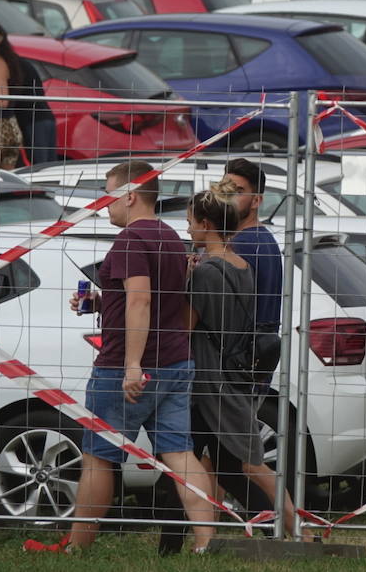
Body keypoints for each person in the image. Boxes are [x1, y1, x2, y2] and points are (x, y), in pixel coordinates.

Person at [52, 160, 215, 553]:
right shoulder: (171, 237)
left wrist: (131, 365)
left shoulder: (129, 240)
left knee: (99, 457)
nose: (103, 204)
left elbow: (141, 299)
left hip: (127, 369)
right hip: (176, 362)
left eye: (108, 195)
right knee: (180, 453)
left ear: (130, 196)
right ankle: (205, 543)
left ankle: (78, 545)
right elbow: (152, 299)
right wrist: (99, 301)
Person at [185, 180, 301, 537]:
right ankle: (284, 528)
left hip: (208, 380)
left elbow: (186, 326)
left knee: (232, 464)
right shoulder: (241, 266)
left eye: (189, 221)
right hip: (232, 376)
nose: (186, 229)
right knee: (222, 464)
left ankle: (289, 527)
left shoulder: (205, 273)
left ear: (206, 224)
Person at [0, 21, 56, 166]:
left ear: (0, 40)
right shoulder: (12, 61)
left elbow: (2, 101)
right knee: (45, 171)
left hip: (12, 126)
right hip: (26, 123)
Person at [224, 158, 282, 334]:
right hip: (259, 350)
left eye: (238, 191)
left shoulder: (242, 244)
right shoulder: (265, 238)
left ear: (256, 201)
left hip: (237, 352)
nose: (228, 197)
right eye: (225, 189)